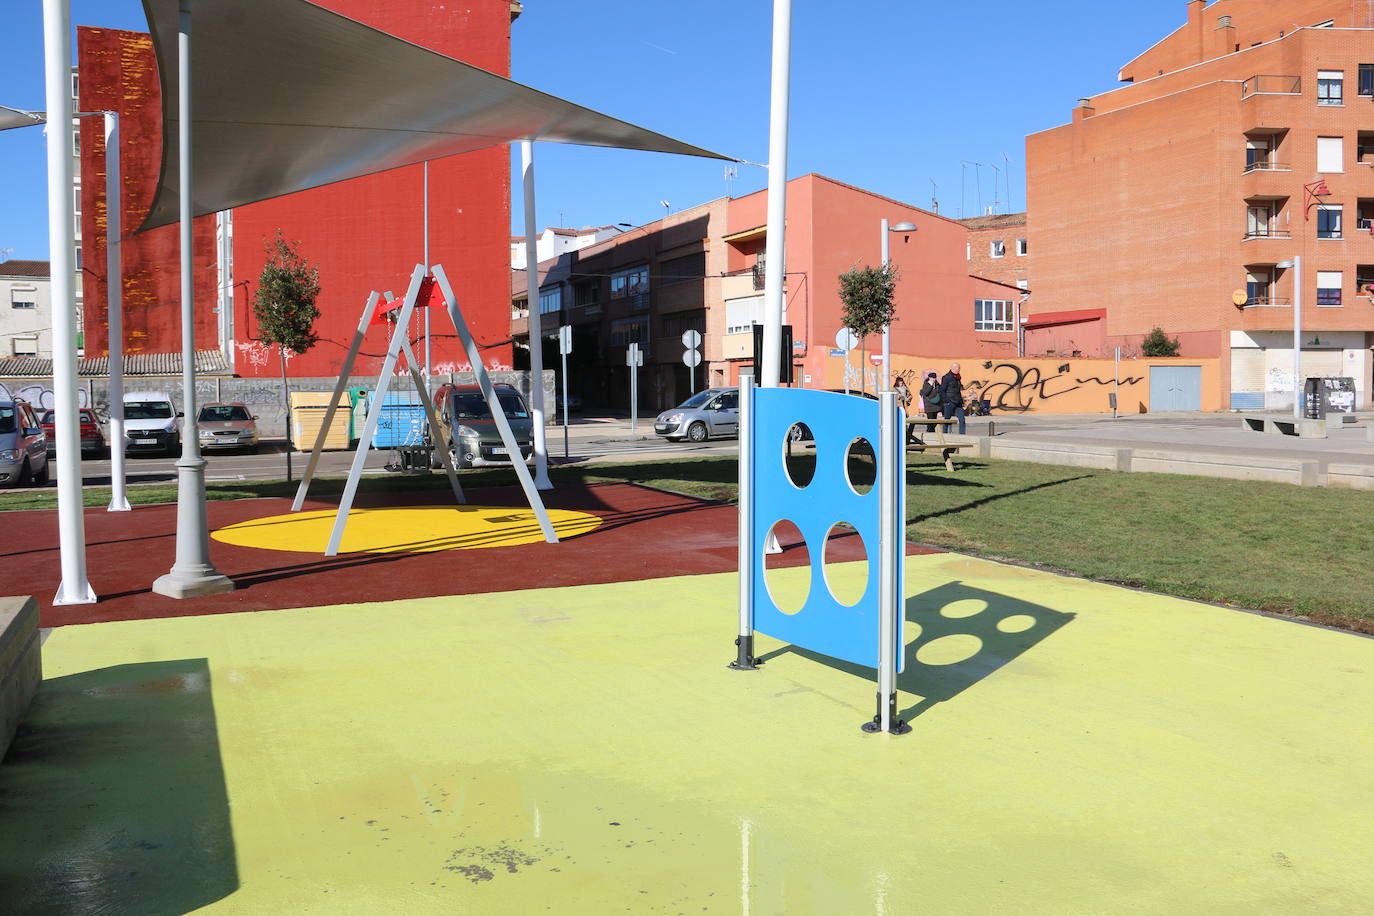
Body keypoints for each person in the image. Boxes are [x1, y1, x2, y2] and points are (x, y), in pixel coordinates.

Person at [940, 362, 966, 435]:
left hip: (958, 402)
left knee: (962, 419)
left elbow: (958, 391)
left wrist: (962, 401)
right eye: (958, 368)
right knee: (947, 420)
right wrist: (946, 400)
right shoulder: (946, 377)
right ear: (953, 368)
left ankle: (962, 435)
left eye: (959, 368)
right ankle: (944, 435)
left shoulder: (958, 377)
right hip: (950, 401)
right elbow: (942, 390)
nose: (959, 370)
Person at [918, 371, 941, 435]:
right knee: (930, 420)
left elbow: (940, 391)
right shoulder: (926, 384)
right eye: (932, 378)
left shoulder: (937, 384)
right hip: (929, 405)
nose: (934, 379)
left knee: (934, 420)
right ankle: (929, 433)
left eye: (935, 378)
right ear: (929, 378)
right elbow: (926, 393)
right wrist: (930, 385)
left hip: (936, 404)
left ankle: (934, 433)